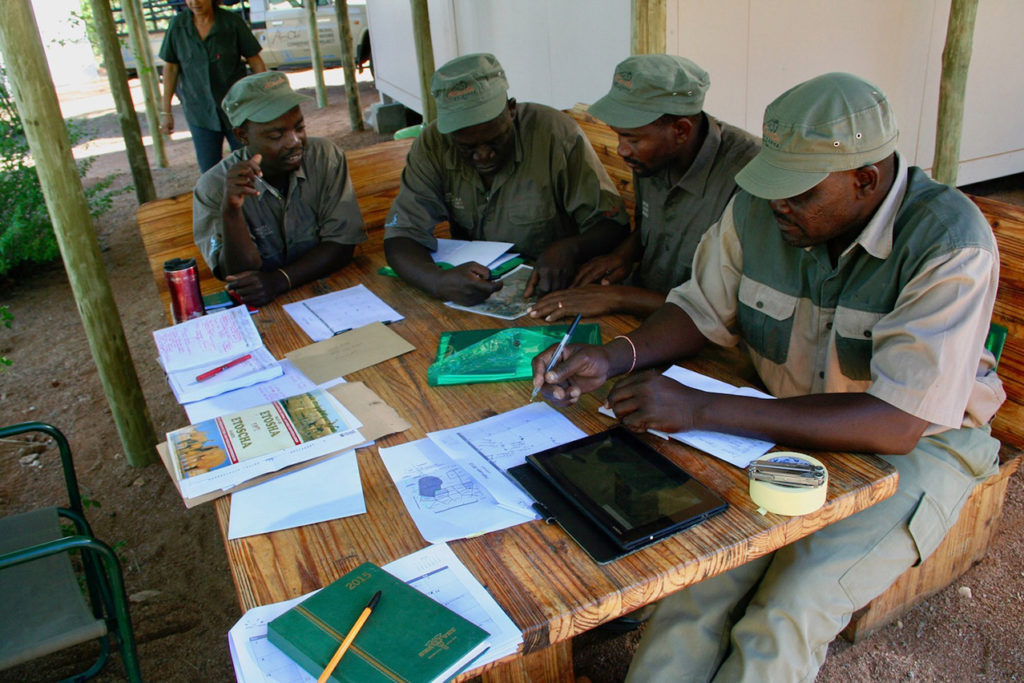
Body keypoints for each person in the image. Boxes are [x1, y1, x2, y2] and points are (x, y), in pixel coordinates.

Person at [532, 72, 1005, 682]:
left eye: (799, 193)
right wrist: (614, 356)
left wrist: (700, 409)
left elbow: (898, 421)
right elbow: (699, 309)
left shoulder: (947, 242)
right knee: (697, 581)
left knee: (788, 608)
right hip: (779, 419)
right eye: (773, 185)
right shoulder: (760, 209)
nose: (778, 204)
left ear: (867, 180)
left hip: (916, 451)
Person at [383, 53, 630, 305]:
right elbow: (401, 235)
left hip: (552, 289)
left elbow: (612, 225)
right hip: (474, 293)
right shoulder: (434, 144)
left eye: (494, 140)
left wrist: (569, 248)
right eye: (467, 147)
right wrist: (437, 282)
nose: (482, 155)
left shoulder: (556, 135)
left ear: (511, 110)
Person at [530, 54, 759, 322]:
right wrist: (622, 256)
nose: (621, 150)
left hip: (704, 335)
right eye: (618, 135)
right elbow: (649, 225)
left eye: (633, 139)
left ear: (681, 130)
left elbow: (724, 309)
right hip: (644, 314)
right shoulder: (651, 158)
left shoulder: (748, 177)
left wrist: (616, 298)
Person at [193, 72, 366, 306]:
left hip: (329, 293)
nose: (294, 140)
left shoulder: (324, 157)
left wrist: (279, 280)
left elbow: (343, 244)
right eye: (276, 134)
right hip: (263, 308)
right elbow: (237, 272)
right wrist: (232, 211)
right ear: (242, 135)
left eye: (300, 127)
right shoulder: (214, 187)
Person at [159, 0, 267, 172]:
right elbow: (170, 68)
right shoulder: (178, 26)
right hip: (200, 113)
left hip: (237, 111)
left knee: (249, 166)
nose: (194, 2)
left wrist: (262, 99)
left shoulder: (231, 22)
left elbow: (256, 61)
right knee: (209, 173)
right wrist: (166, 112)